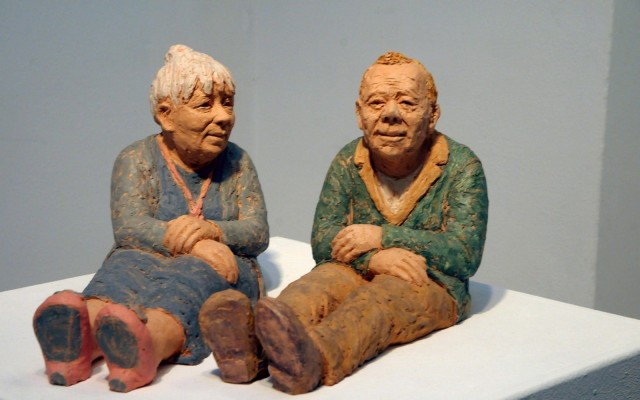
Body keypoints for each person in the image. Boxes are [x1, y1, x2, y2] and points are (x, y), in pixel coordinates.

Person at [203, 51, 488, 394]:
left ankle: (314, 358)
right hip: (353, 266)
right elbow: (324, 240)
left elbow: (464, 253)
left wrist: (382, 237)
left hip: (429, 281)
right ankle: (249, 349)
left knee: (377, 305)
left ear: (433, 114)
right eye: (377, 103)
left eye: (407, 103)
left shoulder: (460, 166)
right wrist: (374, 258)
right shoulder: (348, 160)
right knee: (313, 290)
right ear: (359, 113)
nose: (390, 115)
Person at [32, 44, 269, 393]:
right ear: (166, 114)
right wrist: (192, 242)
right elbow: (130, 226)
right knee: (120, 273)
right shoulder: (136, 158)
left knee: (188, 283)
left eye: (228, 103)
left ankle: (148, 344)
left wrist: (212, 231)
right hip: (143, 254)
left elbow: (257, 231)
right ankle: (81, 334)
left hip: (219, 264)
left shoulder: (237, 162)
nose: (223, 117)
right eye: (205, 105)